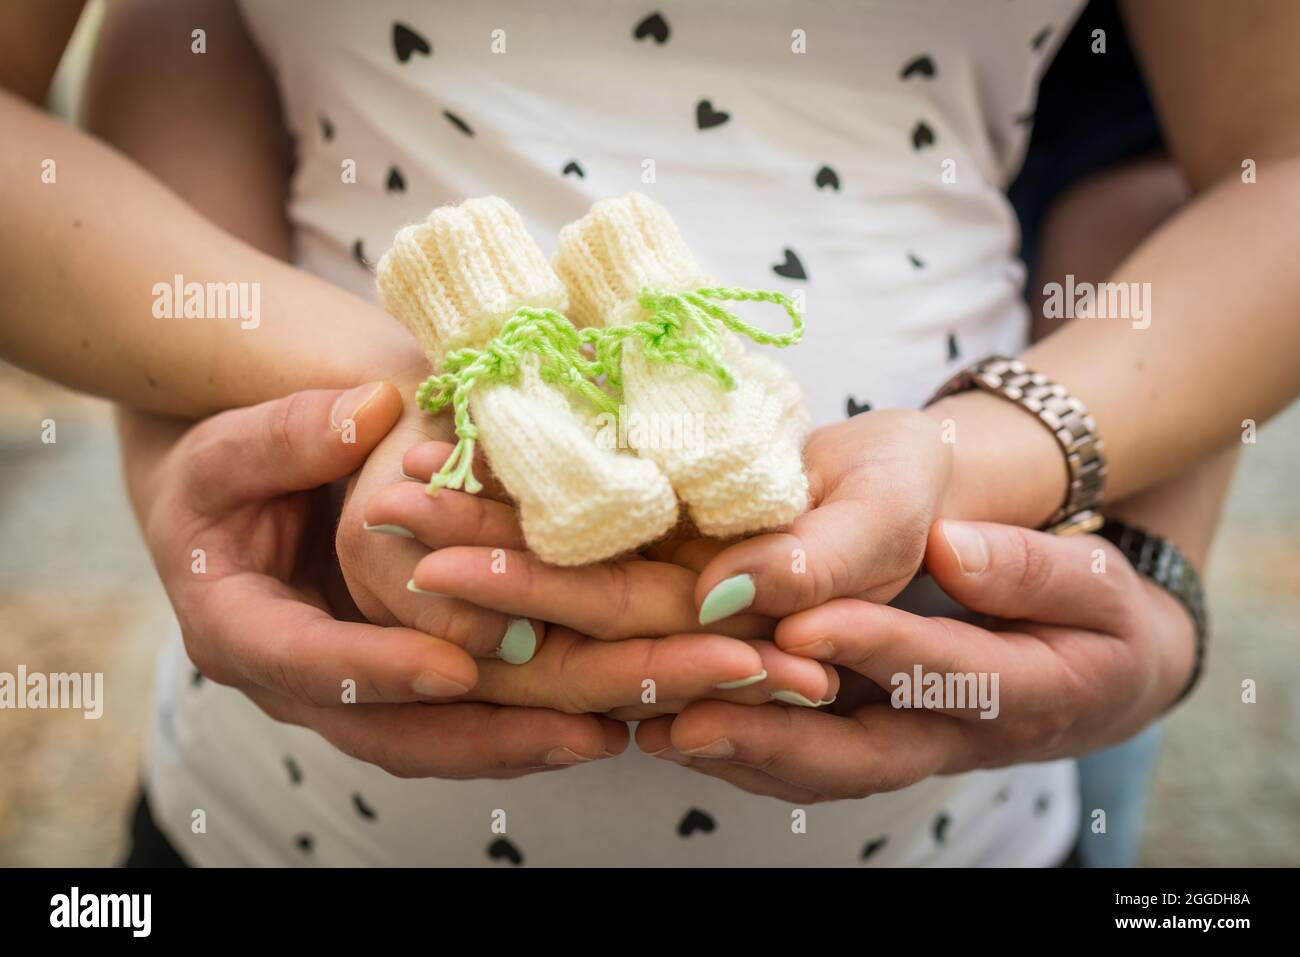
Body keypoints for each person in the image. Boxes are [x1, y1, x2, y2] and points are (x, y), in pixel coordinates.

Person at [3, 0, 1297, 864]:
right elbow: (186, 24)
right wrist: (329, 406)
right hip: (282, 825)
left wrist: (1049, 477)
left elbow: (1234, 149)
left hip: (953, 818)